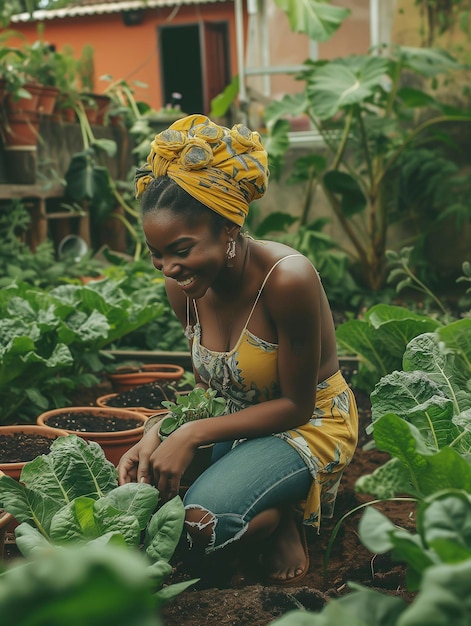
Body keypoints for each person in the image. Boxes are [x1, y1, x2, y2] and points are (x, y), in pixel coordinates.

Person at [118, 114, 358, 585]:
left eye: (182, 249)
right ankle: (259, 507)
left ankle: (282, 520)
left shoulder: (287, 280)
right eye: (157, 254)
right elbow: (206, 391)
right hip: (236, 419)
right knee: (144, 488)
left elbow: (296, 404)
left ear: (228, 229)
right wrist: (158, 431)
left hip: (307, 425)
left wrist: (188, 437)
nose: (169, 267)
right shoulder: (184, 286)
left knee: (196, 525)